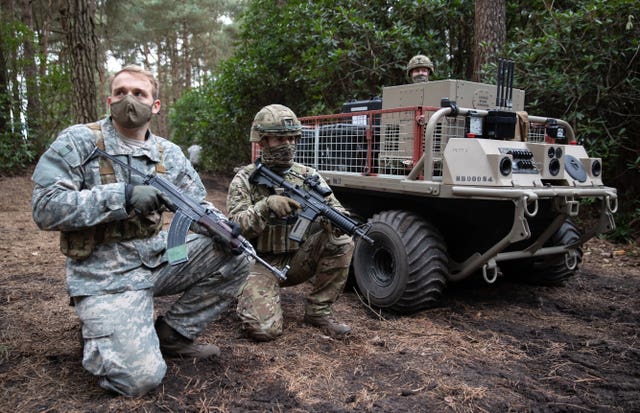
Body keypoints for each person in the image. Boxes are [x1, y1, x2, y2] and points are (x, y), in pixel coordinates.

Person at [31, 65, 250, 397]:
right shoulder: (79, 140)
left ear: (155, 105)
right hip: (103, 273)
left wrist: (221, 226)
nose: (129, 99)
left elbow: (196, 205)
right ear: (109, 100)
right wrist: (122, 196)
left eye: (139, 93)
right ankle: (106, 331)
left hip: (156, 257)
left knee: (238, 252)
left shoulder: (169, 154)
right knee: (140, 380)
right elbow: (45, 207)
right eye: (120, 93)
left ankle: (173, 336)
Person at [226, 104, 354, 342]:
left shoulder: (308, 175)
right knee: (264, 331)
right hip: (257, 262)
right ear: (262, 141)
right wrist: (265, 206)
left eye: (292, 138)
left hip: (296, 260)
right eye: (279, 139)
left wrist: (337, 220)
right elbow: (234, 226)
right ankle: (245, 294)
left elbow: (335, 207)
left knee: (342, 240)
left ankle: (318, 312)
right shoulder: (245, 178)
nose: (288, 144)